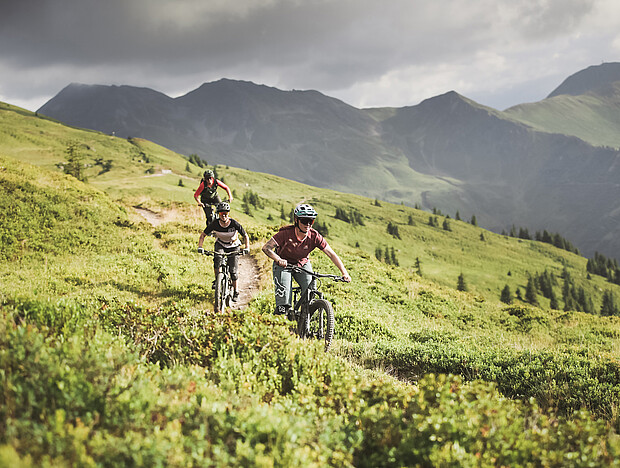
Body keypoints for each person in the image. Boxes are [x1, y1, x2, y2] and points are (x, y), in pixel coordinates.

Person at [262, 203, 351, 320]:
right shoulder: (285, 234)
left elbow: (331, 254)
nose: (308, 224)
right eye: (304, 221)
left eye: (311, 221)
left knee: (311, 291)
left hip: (302, 264)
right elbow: (266, 248)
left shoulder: (314, 236)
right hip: (283, 265)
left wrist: (344, 272)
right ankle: (279, 323)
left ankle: (304, 320)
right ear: (296, 220)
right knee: (283, 300)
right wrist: (278, 259)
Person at [197, 201, 249, 302]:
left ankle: (236, 291)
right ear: (218, 214)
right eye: (221, 213)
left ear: (228, 213)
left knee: (233, 271)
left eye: (226, 213)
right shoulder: (215, 224)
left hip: (233, 246)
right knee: (217, 261)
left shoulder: (234, 223)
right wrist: (200, 247)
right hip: (220, 244)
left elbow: (245, 235)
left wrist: (247, 247)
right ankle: (218, 280)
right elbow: (203, 235)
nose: (224, 215)